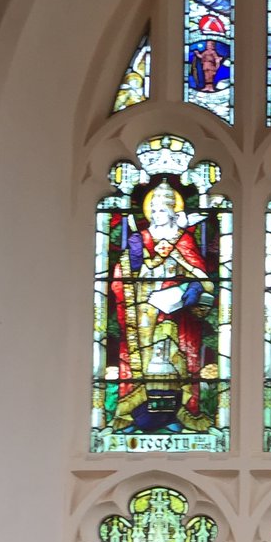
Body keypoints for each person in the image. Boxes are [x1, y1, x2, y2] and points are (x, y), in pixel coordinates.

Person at [110, 180, 214, 432]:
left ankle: (174, 416)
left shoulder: (183, 240)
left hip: (175, 316)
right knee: (144, 365)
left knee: (172, 363)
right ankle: (137, 416)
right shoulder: (140, 239)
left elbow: (201, 276)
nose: (157, 215)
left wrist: (193, 288)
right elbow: (119, 277)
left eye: (162, 210)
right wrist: (133, 262)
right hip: (142, 311)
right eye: (153, 210)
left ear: (172, 213)